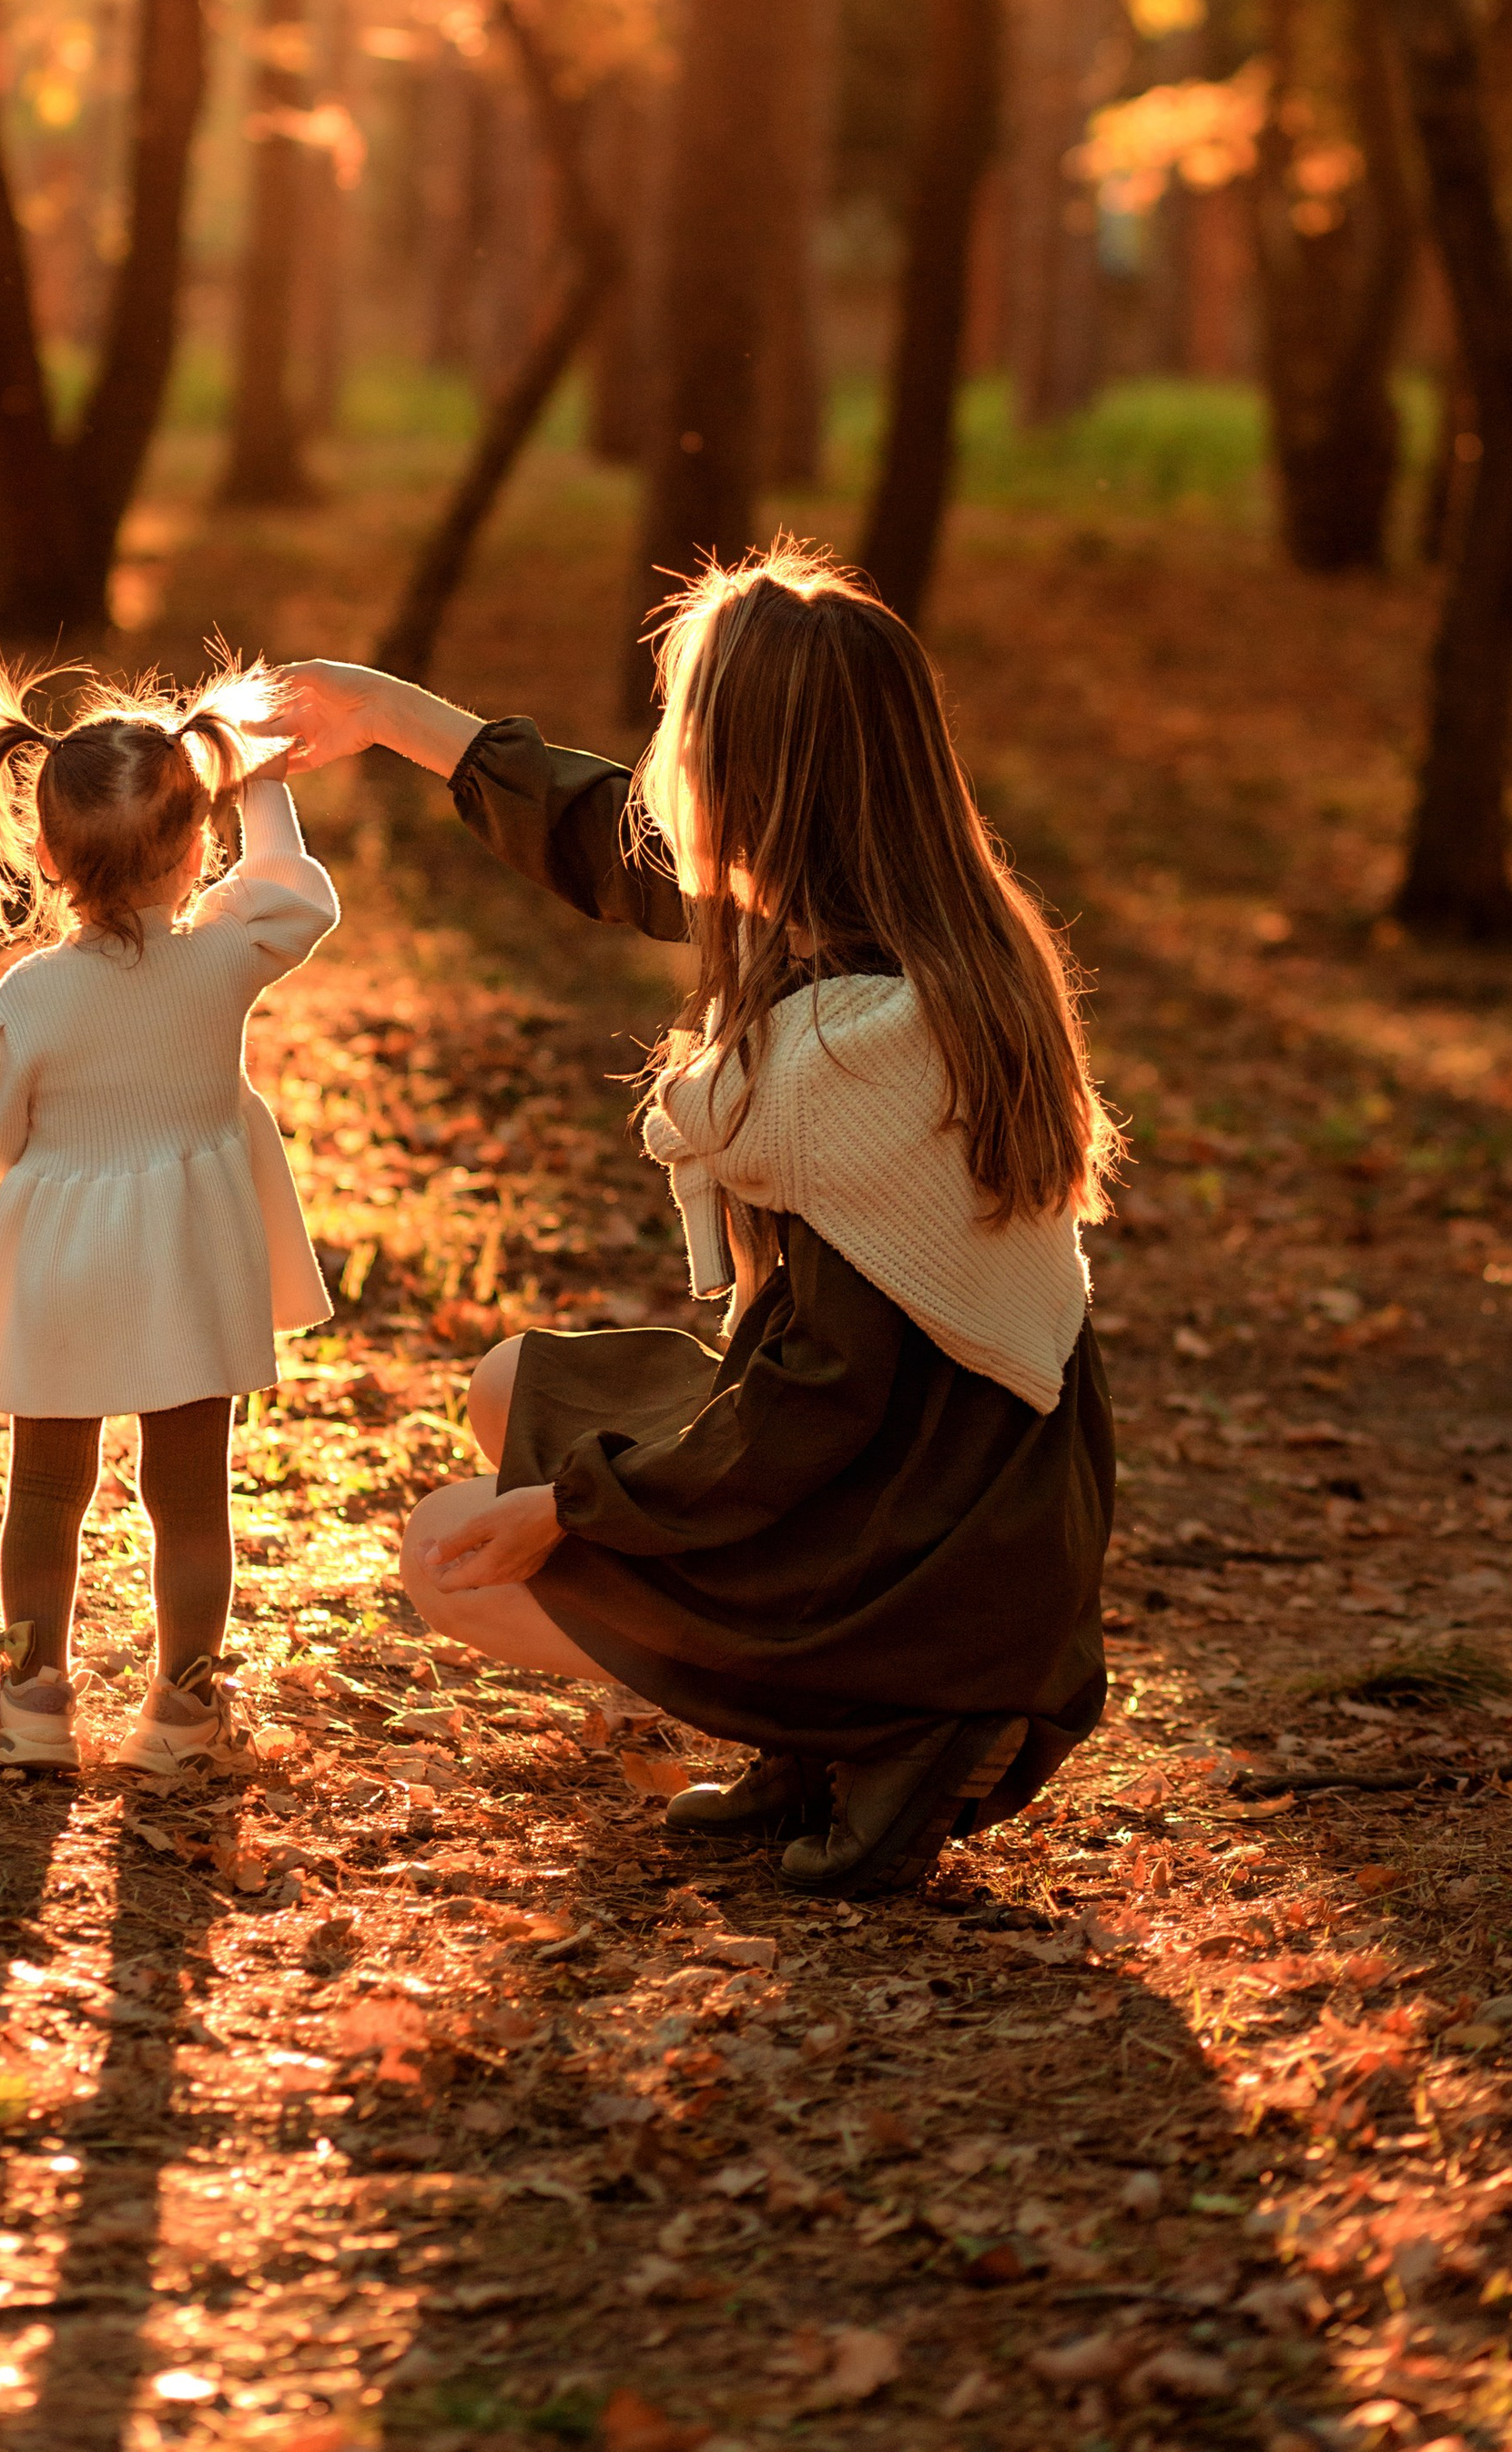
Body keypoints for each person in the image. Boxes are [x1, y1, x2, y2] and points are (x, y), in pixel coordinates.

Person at [280, 543, 1117, 1898]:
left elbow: (813, 1403)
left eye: (686, 732)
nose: (664, 766)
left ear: (758, 781)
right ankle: (817, 1743)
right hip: (950, 1486)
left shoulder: (862, 1050)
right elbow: (607, 842)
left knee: (451, 1557)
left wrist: (576, 1507)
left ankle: (885, 1724)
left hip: (936, 1552)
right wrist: (385, 713)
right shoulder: (891, 914)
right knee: (512, 1389)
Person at [0, 658, 337, 1780]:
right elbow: (302, 895)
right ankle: (183, 1713)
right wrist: (254, 781)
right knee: (191, 1495)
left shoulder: (23, 1001)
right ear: (197, 848)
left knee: (47, 1492)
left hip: (61, 1263)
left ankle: (29, 1701)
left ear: (44, 855)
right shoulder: (222, 961)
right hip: (192, 1262)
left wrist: (49, 1161)